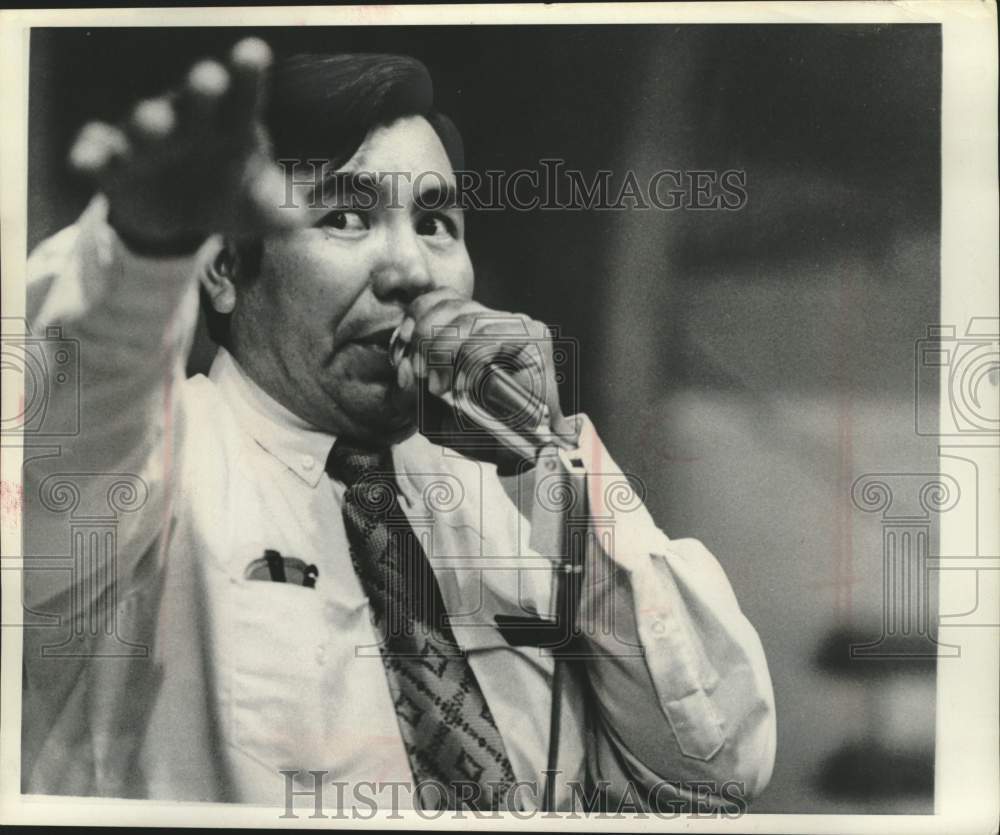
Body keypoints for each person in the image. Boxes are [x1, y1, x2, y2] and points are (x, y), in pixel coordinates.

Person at [21, 38, 775, 812]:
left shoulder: (516, 494)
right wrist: (147, 250)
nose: (412, 268)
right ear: (222, 268)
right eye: (346, 215)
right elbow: (80, 409)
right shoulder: (150, 470)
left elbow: (713, 774)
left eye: (436, 221)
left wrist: (545, 472)